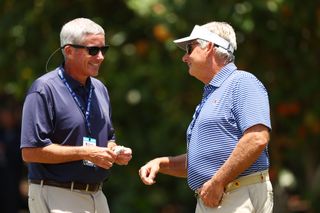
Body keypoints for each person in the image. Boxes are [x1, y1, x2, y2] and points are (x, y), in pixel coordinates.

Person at [139, 21, 273, 213]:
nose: (184, 58)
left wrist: (218, 182)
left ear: (209, 46)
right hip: (222, 195)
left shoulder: (242, 82)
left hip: (234, 194)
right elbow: (205, 160)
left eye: (189, 49)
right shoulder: (214, 92)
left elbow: (257, 138)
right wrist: (162, 163)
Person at [20, 18, 132, 213]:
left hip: (97, 195)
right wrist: (86, 153)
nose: (100, 57)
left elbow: (108, 138)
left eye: (103, 50)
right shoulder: (44, 89)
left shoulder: (100, 89)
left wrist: (114, 151)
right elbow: (30, 152)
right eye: (93, 50)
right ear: (69, 51)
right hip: (57, 194)